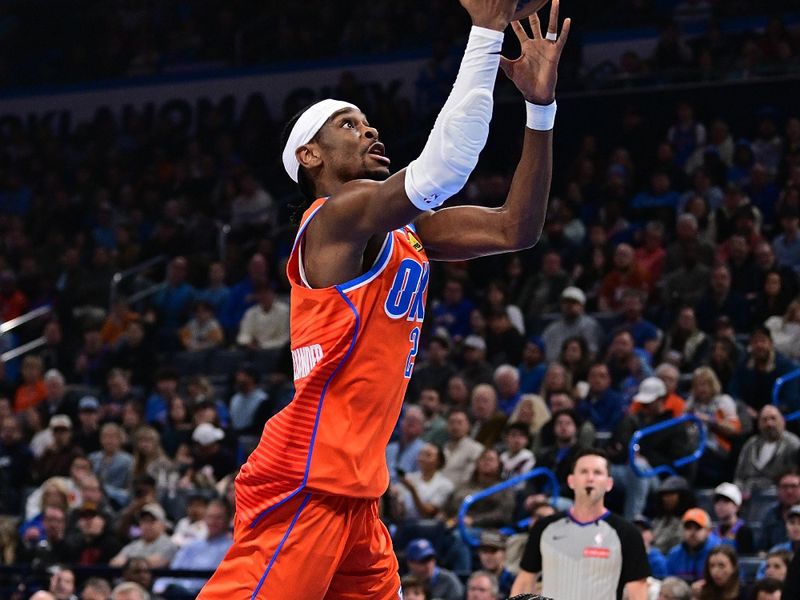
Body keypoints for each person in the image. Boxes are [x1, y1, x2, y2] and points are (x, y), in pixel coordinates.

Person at [200, 2, 570, 598]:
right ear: (310, 157)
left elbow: (516, 228)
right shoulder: (333, 221)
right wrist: (485, 33)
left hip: (357, 486)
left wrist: (540, 107)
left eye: (368, 122)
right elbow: (444, 167)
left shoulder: (406, 233)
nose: (370, 129)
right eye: (348, 124)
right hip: (307, 473)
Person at [511, 448, 650, 599]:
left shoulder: (627, 533)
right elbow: (525, 581)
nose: (590, 478)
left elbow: (638, 591)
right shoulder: (544, 528)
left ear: (609, 483)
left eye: (597, 472)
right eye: (584, 471)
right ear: (571, 481)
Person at [734, 405, 800, 497]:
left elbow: (794, 476)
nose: (769, 424)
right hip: (747, 496)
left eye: (773, 419)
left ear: (783, 421)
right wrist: (738, 492)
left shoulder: (792, 444)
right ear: (759, 424)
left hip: (777, 496)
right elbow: (739, 476)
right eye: (764, 420)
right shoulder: (750, 444)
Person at [665, 508, 722, 583]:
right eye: (688, 527)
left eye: (698, 528)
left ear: (708, 531)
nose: (692, 532)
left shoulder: (718, 552)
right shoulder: (674, 554)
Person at [711, 482, 754, 554]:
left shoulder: (744, 532)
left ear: (737, 506)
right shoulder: (712, 532)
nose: (720, 505)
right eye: (717, 501)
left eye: (726, 501)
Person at [476, 531, 514, 598]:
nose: (488, 556)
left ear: (504, 553)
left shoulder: (513, 582)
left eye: (493, 551)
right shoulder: (474, 582)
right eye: (485, 551)